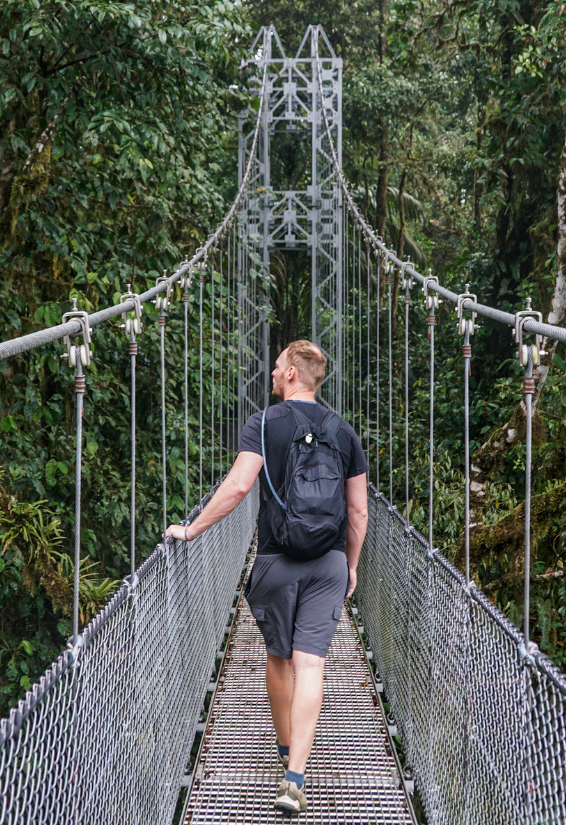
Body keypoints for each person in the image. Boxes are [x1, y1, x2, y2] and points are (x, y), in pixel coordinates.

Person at [164, 340, 368, 815]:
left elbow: (238, 485)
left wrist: (191, 529)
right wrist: (351, 565)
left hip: (276, 561)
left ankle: (284, 754)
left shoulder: (264, 424)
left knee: (279, 659)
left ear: (293, 375)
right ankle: (296, 777)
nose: (273, 375)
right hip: (329, 563)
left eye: (277, 368)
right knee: (312, 663)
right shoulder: (344, 433)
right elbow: (357, 512)